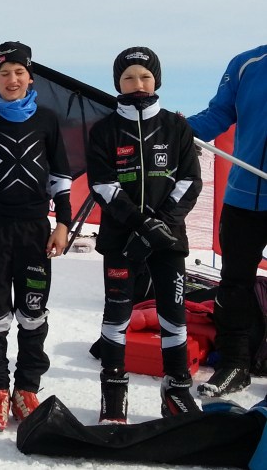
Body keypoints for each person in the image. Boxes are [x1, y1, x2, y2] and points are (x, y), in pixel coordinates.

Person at [86, 46, 202, 423]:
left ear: (157, 81)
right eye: (129, 77)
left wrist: (160, 225)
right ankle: (113, 391)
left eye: (145, 76)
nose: (138, 83)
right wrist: (140, 224)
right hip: (121, 240)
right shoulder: (104, 129)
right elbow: (102, 185)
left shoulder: (176, 126)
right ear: (117, 82)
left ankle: (176, 389)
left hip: (169, 239)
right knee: (117, 312)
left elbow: (190, 181)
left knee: (173, 313)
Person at [0, 41, 72, 432]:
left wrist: (63, 224)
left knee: (33, 312)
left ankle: (26, 388)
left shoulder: (47, 120)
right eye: (4, 74)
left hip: (35, 231)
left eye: (19, 73)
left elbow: (61, 177)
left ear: (30, 78)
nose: (12, 80)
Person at [186, 45, 267, 397]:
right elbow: (217, 114)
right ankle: (235, 364)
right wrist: (174, 128)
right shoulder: (247, 63)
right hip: (244, 197)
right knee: (234, 285)